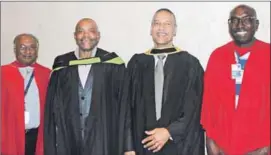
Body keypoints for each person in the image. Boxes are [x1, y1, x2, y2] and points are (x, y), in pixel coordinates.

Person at [44, 18, 134, 155]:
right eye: (81, 31)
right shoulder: (62, 66)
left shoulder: (112, 65)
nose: (86, 35)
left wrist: (128, 147)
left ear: (98, 36)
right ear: (75, 36)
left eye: (91, 31)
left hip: (103, 139)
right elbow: (51, 109)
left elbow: (125, 107)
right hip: (69, 138)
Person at [126, 8, 205, 155]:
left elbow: (195, 107)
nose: (161, 28)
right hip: (142, 145)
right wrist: (128, 146)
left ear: (174, 30)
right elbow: (126, 108)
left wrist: (169, 131)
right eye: (157, 23)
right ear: (151, 29)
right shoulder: (136, 63)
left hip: (178, 145)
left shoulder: (190, 64)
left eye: (167, 24)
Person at [201, 4, 270, 155]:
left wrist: (266, 148)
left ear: (256, 24)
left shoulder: (268, 55)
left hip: (261, 146)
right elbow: (208, 105)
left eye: (246, 20)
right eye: (235, 20)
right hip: (224, 146)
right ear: (229, 25)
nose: (240, 25)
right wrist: (211, 143)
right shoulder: (217, 57)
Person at [1, 33, 51, 155]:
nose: (27, 51)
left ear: (37, 50)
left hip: (37, 136)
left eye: (32, 47)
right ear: (15, 49)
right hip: (10, 135)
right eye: (22, 47)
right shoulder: (3, 73)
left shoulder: (47, 74)